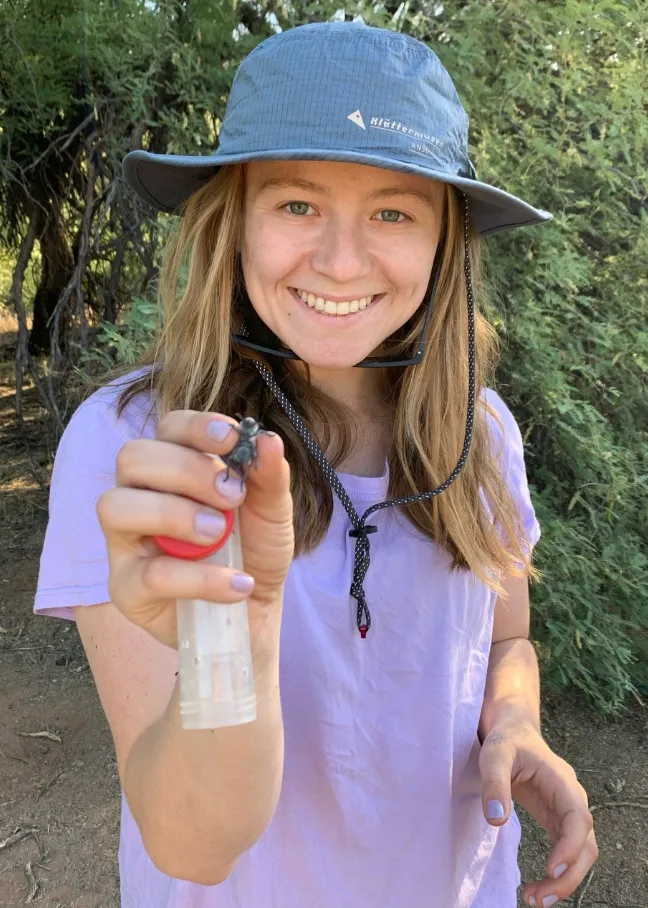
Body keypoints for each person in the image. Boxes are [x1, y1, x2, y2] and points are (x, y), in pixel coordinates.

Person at [33, 20, 598, 908]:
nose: (340, 260)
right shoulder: (143, 447)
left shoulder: (479, 433)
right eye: (296, 204)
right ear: (236, 222)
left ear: (445, 241)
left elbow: (507, 636)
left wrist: (517, 724)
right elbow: (190, 841)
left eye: (392, 212)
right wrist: (241, 625)